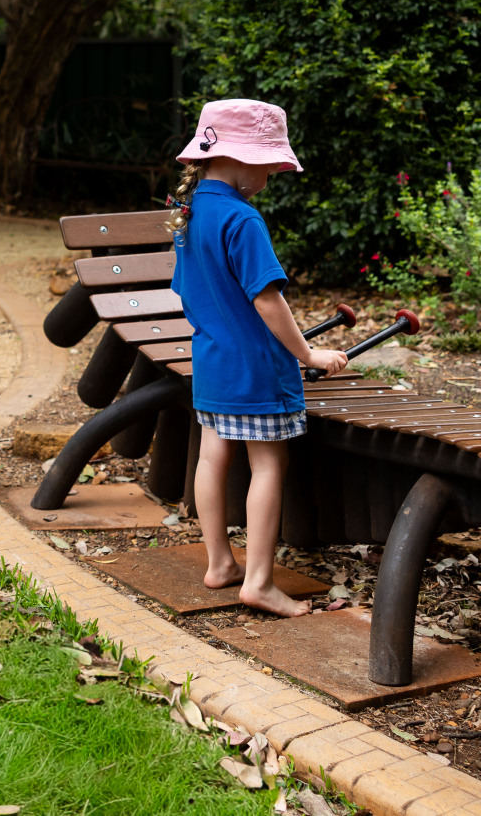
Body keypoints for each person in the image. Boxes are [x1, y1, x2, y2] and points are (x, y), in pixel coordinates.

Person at [168, 98, 347, 617]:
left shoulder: (189, 211)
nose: (271, 175)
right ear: (240, 158)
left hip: (212, 362)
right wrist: (309, 353)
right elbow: (268, 300)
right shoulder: (243, 220)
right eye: (269, 166)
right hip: (256, 369)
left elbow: (188, 290)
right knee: (269, 463)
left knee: (211, 457)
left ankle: (220, 564)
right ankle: (261, 582)